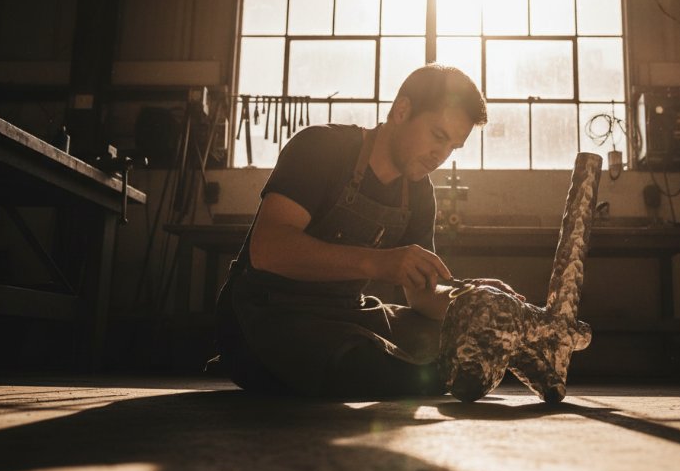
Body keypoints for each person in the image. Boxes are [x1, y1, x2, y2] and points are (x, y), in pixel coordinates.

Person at [213, 64, 523, 398]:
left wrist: (474, 302)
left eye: (453, 147)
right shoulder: (321, 148)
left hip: (345, 313)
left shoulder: (418, 192)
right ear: (401, 110)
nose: (441, 155)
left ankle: (412, 370)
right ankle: (405, 372)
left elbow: (421, 295)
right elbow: (268, 250)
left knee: (451, 341)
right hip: (268, 316)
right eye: (438, 136)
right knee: (367, 362)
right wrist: (378, 262)